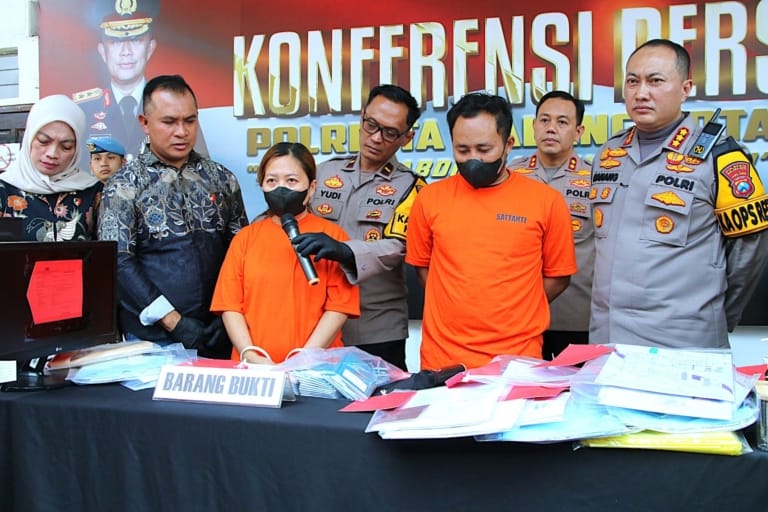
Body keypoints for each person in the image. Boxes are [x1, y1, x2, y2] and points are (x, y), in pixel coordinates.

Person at [590, 38, 768, 349]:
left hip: (683, 345)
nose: (641, 93)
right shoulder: (608, 154)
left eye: (655, 81)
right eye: (632, 81)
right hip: (607, 341)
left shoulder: (721, 157)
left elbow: (749, 252)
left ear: (685, 89)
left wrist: (714, 316)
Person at [405, 93, 577, 370]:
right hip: (441, 362)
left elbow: (558, 277)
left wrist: (513, 308)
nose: (473, 159)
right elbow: (424, 271)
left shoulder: (547, 202)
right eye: (462, 149)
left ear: (508, 144)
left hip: (517, 361)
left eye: (484, 149)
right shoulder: (429, 199)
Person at [97, 74, 247, 358]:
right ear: (144, 123)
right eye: (169, 122)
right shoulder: (124, 185)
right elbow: (119, 261)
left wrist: (228, 313)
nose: (182, 132)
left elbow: (241, 251)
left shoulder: (222, 179)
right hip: (153, 340)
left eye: (190, 121)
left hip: (220, 332)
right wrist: (173, 321)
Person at [291, 84, 425, 370]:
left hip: (375, 328)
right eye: (371, 124)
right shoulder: (324, 172)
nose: (375, 138)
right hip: (317, 323)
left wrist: (345, 251)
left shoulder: (412, 188)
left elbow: (399, 247)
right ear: (362, 116)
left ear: (407, 137)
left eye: (390, 132)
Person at [210, 142, 360, 364]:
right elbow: (229, 305)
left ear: (311, 187)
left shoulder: (333, 237)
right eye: (272, 181)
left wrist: (303, 360)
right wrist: (250, 355)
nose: (281, 188)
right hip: (255, 369)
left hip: (316, 368)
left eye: (291, 180)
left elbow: (339, 307)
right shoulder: (245, 238)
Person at [508, 91, 594, 360]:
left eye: (562, 122)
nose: (551, 128)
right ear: (534, 125)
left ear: (578, 131)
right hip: (520, 316)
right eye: (544, 120)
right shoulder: (510, 176)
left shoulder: (596, 180)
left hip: (577, 317)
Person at [0, 94, 102, 241]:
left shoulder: (94, 192)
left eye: (66, 147)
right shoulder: (4, 190)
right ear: (29, 138)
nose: (52, 154)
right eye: (43, 141)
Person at [73, 0, 158, 165]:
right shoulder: (84, 110)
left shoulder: (165, 106)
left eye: (136, 40)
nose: (126, 52)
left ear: (150, 48)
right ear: (103, 52)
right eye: (116, 42)